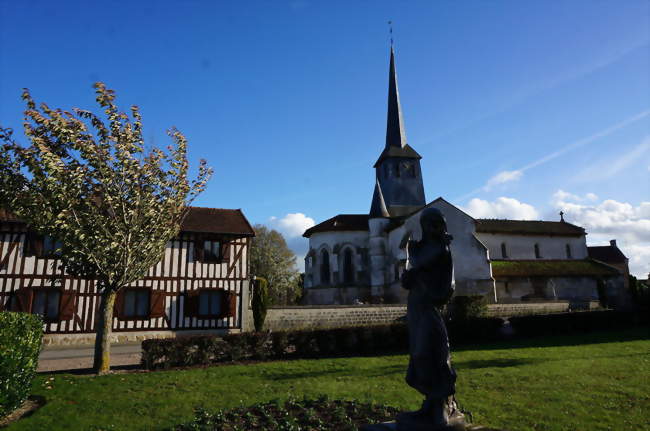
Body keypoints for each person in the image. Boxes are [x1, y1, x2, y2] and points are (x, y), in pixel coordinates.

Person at [398, 207, 464, 429]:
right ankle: (431, 402)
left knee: (430, 350)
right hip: (415, 305)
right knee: (418, 353)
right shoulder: (416, 248)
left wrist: (433, 294)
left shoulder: (442, 249)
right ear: (423, 226)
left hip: (429, 305)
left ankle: (442, 404)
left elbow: (449, 283)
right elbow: (408, 278)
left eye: (437, 223)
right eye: (429, 223)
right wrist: (407, 278)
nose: (434, 228)